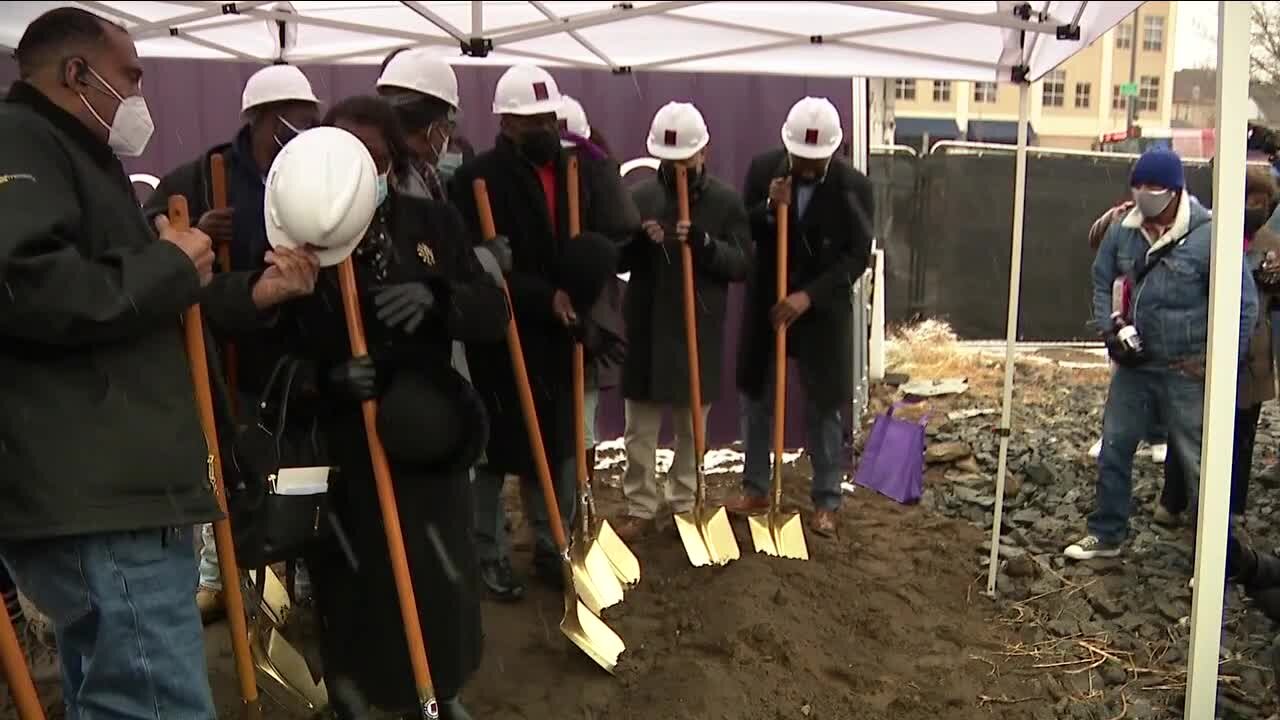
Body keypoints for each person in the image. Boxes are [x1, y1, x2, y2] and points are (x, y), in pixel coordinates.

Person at [0, 8, 319, 718]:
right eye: (131, 76)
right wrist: (167, 264)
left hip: (116, 487)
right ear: (76, 73)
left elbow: (131, 304)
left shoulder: (79, 156)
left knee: (115, 696)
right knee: (154, 703)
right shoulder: (19, 140)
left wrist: (245, 289)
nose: (140, 94)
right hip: (97, 490)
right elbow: (25, 285)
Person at [285, 97, 509, 720]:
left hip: (426, 433)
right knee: (355, 579)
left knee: (439, 573)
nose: (366, 174)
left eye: (377, 160)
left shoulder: (432, 221)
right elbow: (262, 352)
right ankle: (356, 695)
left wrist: (440, 299)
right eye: (350, 159)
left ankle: (441, 687)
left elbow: (492, 311)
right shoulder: (294, 231)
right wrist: (323, 378)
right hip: (344, 442)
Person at [144, 62, 321, 625]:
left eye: (309, 121)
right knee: (223, 463)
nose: (302, 131)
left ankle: (307, 573)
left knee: (302, 461)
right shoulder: (202, 174)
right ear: (261, 120)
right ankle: (218, 576)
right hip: (226, 350)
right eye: (293, 121)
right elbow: (154, 227)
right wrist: (194, 228)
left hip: (293, 347)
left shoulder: (314, 170)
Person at [450, 64, 634, 600]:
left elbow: (607, 235)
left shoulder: (578, 169)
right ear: (505, 123)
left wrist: (577, 290)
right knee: (493, 450)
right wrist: (537, 295)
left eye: (549, 118)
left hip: (559, 334)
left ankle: (555, 544)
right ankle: (489, 552)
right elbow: (474, 260)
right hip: (503, 332)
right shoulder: (477, 178)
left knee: (554, 448)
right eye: (530, 121)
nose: (544, 129)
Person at [1065, 149, 1259, 561]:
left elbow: (1244, 304)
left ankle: (1214, 555)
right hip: (1136, 366)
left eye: (1153, 189)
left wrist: (1219, 362)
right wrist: (1110, 330)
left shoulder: (1210, 236)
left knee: (1198, 462)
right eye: (1138, 188)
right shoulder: (1125, 228)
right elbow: (1103, 279)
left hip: (1186, 369)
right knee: (1115, 445)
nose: (1144, 196)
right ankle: (1107, 533)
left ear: (1175, 191)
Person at [726, 96, 875, 538]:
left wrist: (808, 296)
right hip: (767, 303)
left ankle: (827, 499)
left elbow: (855, 258)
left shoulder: (854, 186)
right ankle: (755, 485)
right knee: (756, 396)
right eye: (801, 158)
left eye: (817, 159)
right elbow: (741, 230)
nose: (807, 166)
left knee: (825, 405)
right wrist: (770, 208)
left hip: (820, 308)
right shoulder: (762, 170)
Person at [612, 101, 750, 541]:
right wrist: (638, 240)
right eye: (670, 162)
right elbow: (616, 257)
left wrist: (707, 245)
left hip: (698, 328)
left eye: (686, 160)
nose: (679, 169)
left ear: (703, 153)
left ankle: (685, 501)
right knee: (640, 431)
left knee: (693, 429)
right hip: (648, 327)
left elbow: (742, 263)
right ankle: (640, 504)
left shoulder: (726, 202)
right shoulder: (640, 198)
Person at [1157, 167, 1280, 527]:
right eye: (1250, 200)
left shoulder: (1271, 243)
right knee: (1190, 428)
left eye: (1264, 202)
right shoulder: (1203, 238)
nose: (1257, 208)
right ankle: (1174, 501)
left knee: (1242, 434)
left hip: (1252, 357)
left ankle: (1231, 508)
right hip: (1203, 349)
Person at [556, 94, 634, 503]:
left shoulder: (601, 181)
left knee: (583, 421)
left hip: (589, 319)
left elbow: (622, 229)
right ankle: (555, 505)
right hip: (541, 314)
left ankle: (581, 504)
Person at [376, 48, 460, 202]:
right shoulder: (407, 185)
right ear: (431, 129)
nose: (446, 138)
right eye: (447, 127)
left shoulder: (378, 169)